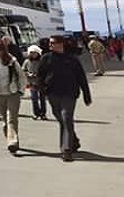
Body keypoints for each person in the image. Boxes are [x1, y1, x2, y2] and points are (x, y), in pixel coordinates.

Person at [36, 34, 92, 162]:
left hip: (69, 94)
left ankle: (66, 149)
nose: (50, 45)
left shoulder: (72, 59)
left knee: (67, 118)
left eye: (53, 43)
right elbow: (40, 76)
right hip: (53, 94)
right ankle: (74, 140)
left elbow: (81, 78)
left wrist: (86, 95)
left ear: (61, 44)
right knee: (61, 119)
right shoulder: (46, 58)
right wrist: (42, 90)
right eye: (49, 43)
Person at [0, 41, 26, 154]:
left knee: (12, 118)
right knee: (4, 119)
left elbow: (21, 76)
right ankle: (10, 139)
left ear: (3, 51)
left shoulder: (12, 61)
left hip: (13, 93)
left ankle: (13, 142)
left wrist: (21, 90)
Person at [21, 45, 47, 120]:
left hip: (41, 82)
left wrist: (39, 74)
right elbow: (23, 70)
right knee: (34, 98)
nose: (33, 54)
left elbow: (45, 70)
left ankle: (43, 114)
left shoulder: (42, 61)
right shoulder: (27, 61)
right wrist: (28, 74)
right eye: (31, 53)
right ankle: (36, 113)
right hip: (32, 82)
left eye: (34, 53)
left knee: (42, 99)